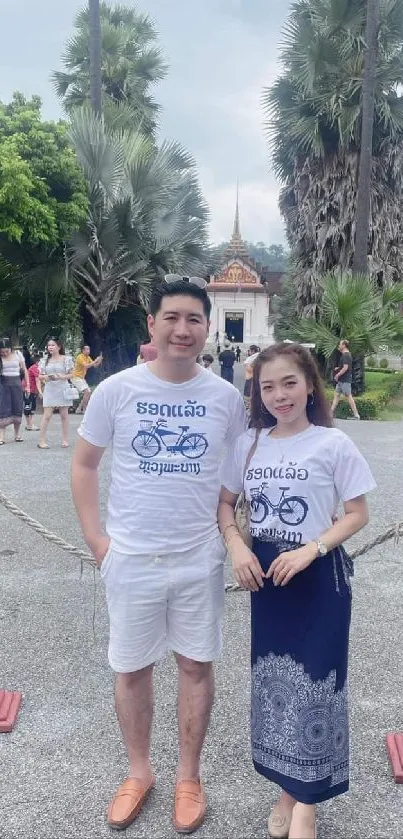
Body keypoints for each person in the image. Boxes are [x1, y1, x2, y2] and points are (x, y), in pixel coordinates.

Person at [71, 276, 246, 833]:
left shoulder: (226, 399)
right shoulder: (116, 390)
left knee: (195, 664)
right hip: (131, 557)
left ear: (208, 328)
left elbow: (235, 479)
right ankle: (139, 771)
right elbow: (84, 464)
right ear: (152, 323)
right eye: (171, 317)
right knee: (131, 668)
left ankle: (188, 777)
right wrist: (98, 540)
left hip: (198, 558)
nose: (182, 329)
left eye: (194, 319)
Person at [218, 343, 376, 839]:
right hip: (264, 577)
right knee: (275, 687)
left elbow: (357, 513)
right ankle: (286, 788)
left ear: (310, 385)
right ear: (257, 392)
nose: (279, 395)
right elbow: (225, 504)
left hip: (317, 577)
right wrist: (238, 549)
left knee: (317, 686)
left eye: (289, 383)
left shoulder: (332, 443)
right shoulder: (249, 443)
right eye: (268, 386)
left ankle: (306, 801)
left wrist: (312, 548)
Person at [37, 339, 74, 449]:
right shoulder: (44, 360)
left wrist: (62, 377)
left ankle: (65, 440)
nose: (50, 347)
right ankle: (42, 441)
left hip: (63, 388)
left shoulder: (66, 359)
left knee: (64, 415)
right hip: (50, 388)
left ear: (59, 346)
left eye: (53, 345)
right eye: (49, 345)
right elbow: (40, 376)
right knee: (47, 416)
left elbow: (72, 374)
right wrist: (47, 377)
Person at [0, 339, 29, 445]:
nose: (4, 353)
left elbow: (25, 370)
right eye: (2, 352)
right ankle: (1, 436)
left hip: (17, 384)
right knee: (3, 409)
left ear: (10, 348)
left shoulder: (18, 354)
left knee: (17, 408)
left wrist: (28, 385)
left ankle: (17, 434)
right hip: (3, 385)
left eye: (6, 351)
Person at [331, 339, 360, 420]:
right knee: (336, 396)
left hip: (345, 380)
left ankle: (356, 415)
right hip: (341, 380)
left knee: (348, 396)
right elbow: (343, 367)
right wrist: (338, 368)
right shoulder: (345, 355)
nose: (339, 346)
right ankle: (330, 413)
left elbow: (345, 368)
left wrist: (337, 375)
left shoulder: (346, 355)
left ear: (344, 345)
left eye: (340, 344)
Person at [71, 344, 103, 414]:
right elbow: (86, 366)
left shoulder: (88, 357)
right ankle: (84, 410)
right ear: (83, 350)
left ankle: (79, 409)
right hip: (75, 377)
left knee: (88, 393)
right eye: (87, 349)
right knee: (87, 392)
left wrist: (99, 360)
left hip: (81, 378)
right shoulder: (80, 357)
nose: (88, 351)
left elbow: (95, 366)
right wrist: (95, 360)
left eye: (89, 349)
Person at [24, 354, 42, 431]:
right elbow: (37, 380)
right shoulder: (35, 368)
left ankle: (29, 424)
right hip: (29, 390)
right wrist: (40, 392)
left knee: (30, 406)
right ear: (37, 361)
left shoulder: (34, 368)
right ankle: (30, 424)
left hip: (30, 389)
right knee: (29, 407)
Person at [243, 344, 260, 409]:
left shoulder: (253, 358)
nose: (248, 352)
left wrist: (247, 365)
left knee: (248, 397)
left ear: (252, 351)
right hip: (254, 378)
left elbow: (250, 369)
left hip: (251, 378)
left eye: (249, 350)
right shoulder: (256, 357)